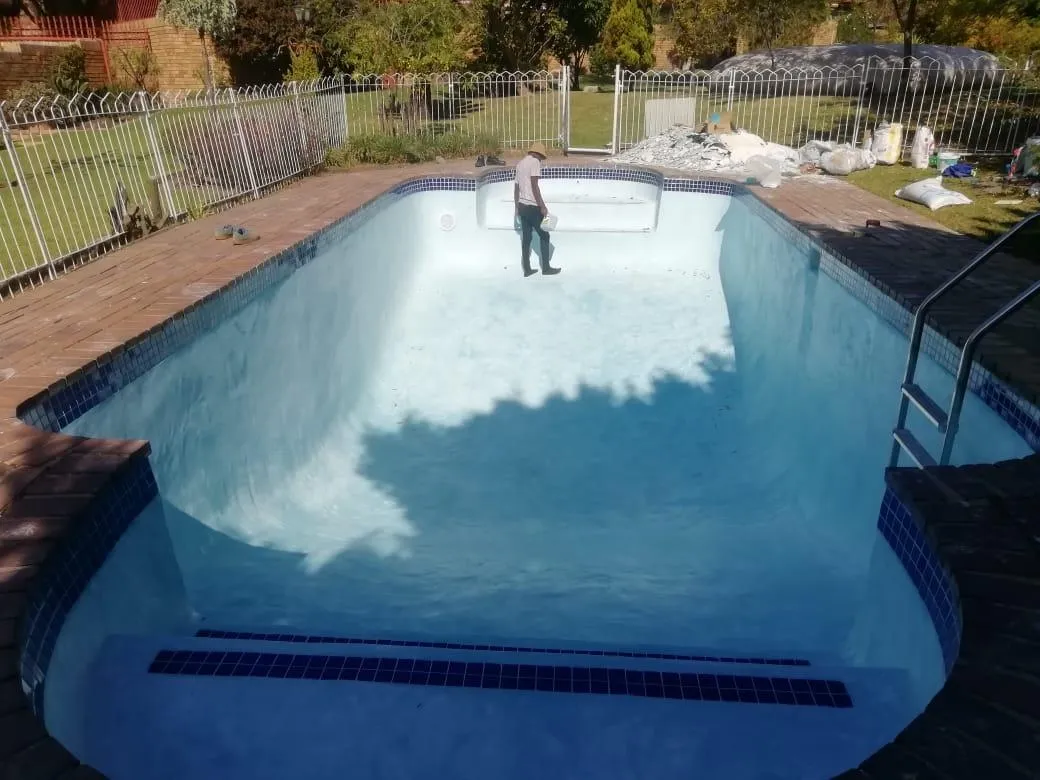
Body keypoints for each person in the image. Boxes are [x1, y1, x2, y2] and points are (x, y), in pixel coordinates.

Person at [514, 142, 560, 277]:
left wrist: (517, 207)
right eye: (541, 157)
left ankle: (527, 269)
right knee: (545, 235)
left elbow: (516, 188)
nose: (541, 160)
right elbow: (535, 186)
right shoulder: (535, 162)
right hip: (532, 206)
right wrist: (542, 206)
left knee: (526, 238)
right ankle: (546, 268)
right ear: (538, 154)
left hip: (522, 206)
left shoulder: (520, 164)